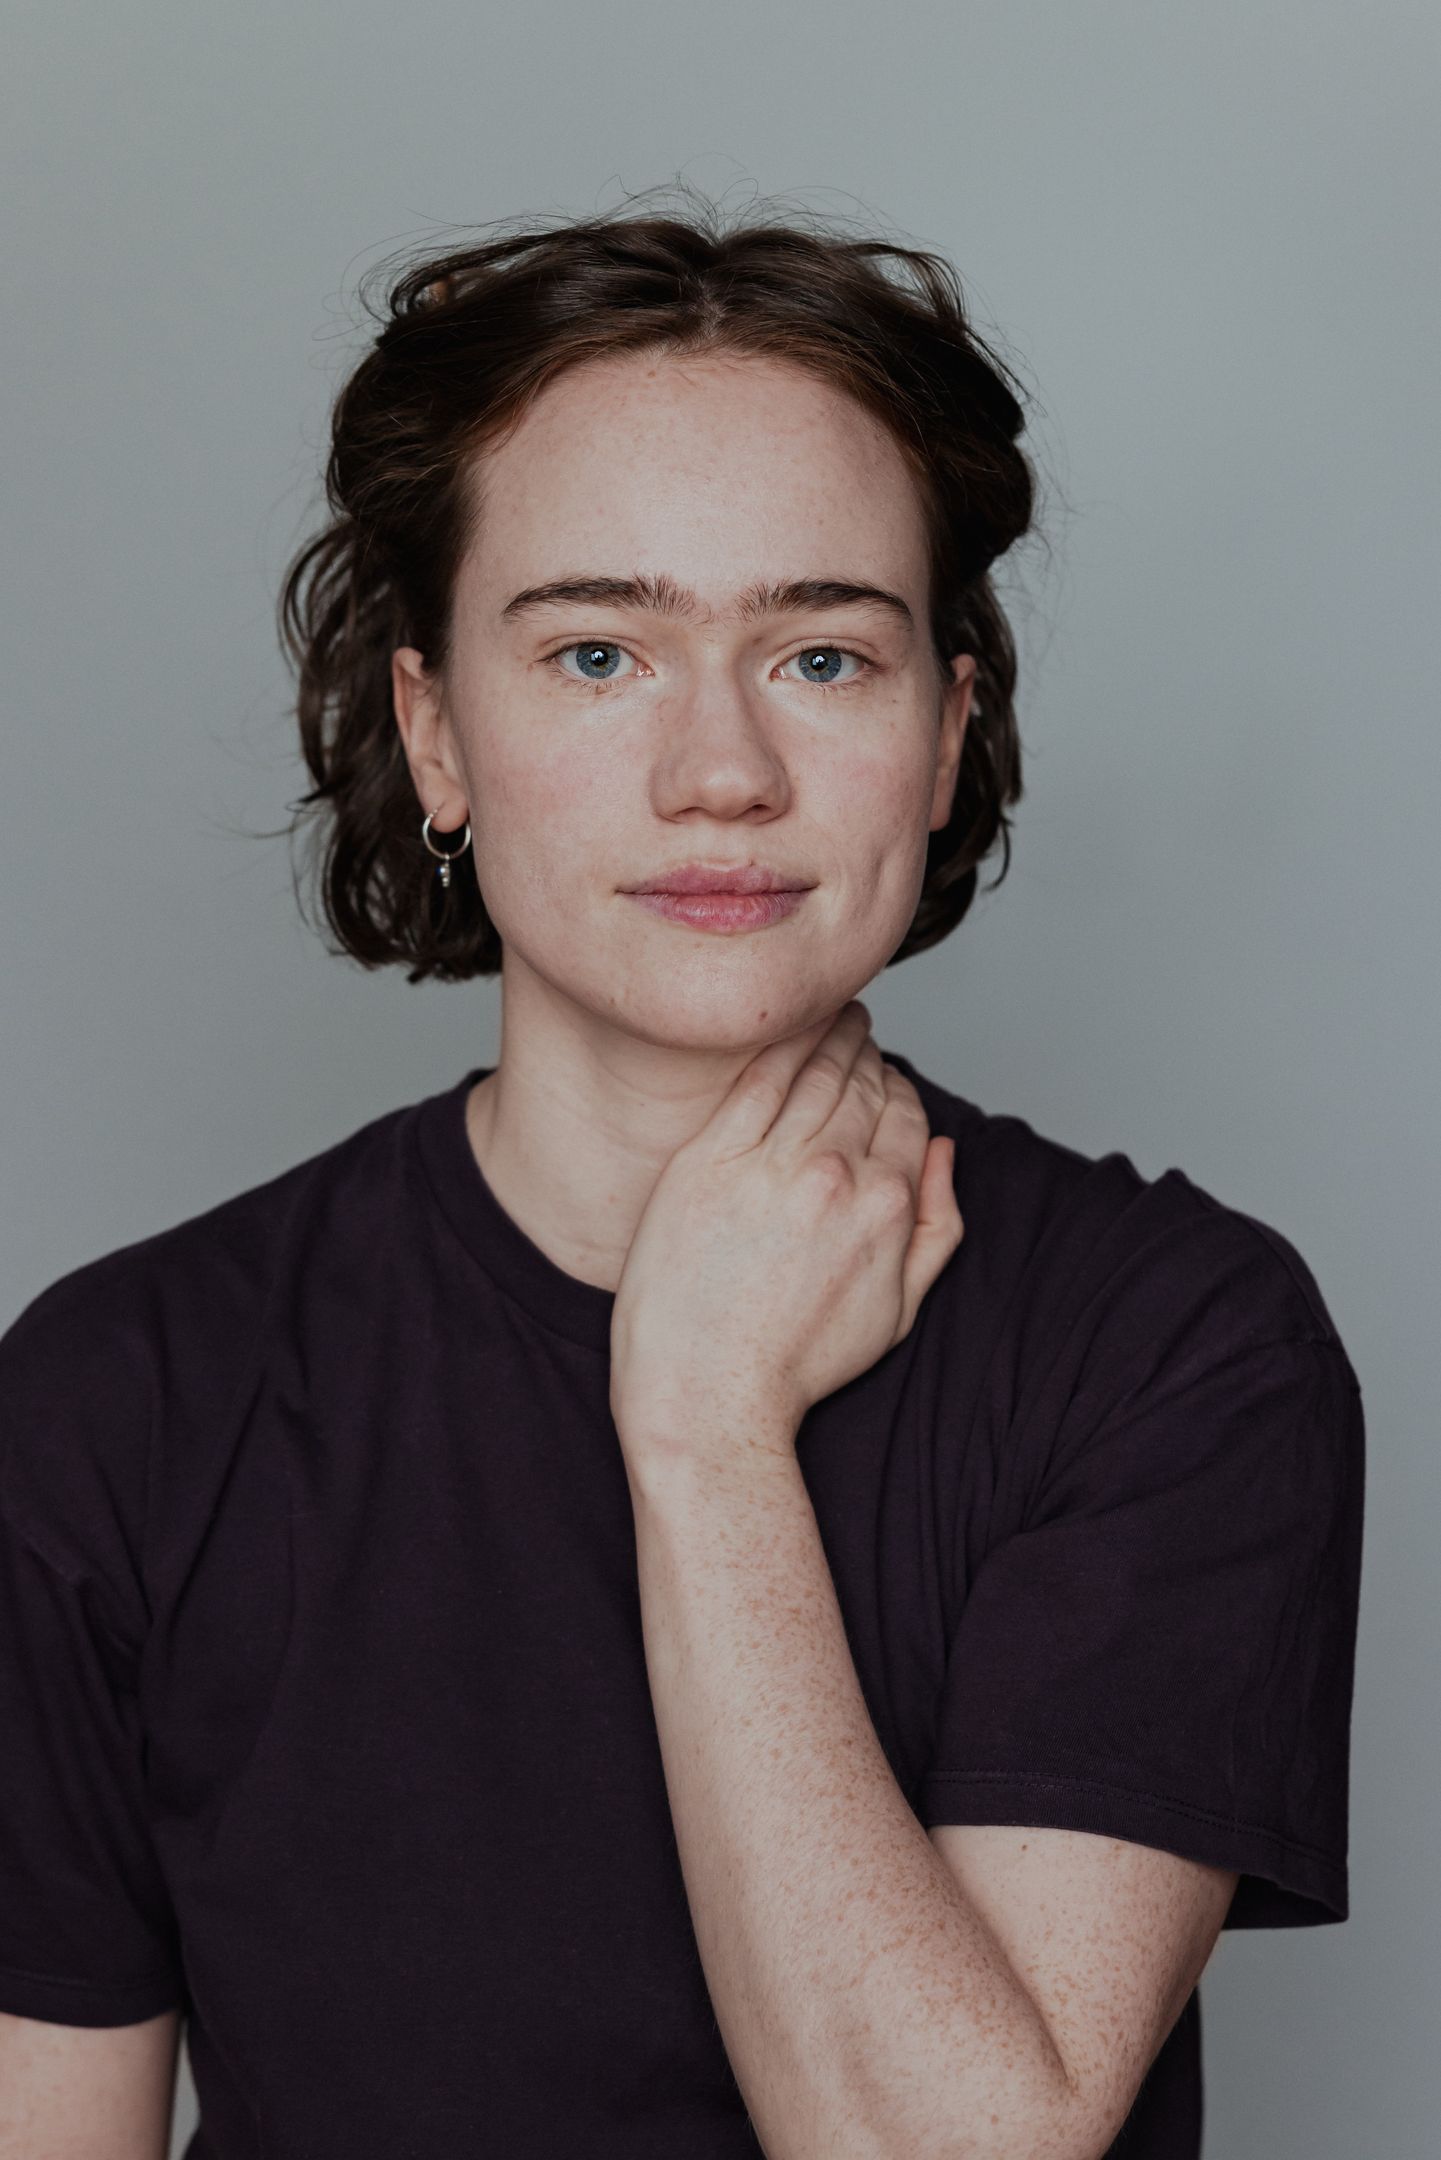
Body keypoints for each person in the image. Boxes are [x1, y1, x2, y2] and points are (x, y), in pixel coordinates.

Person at [0, 192, 1364, 2160]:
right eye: (594, 653)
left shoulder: (1172, 1346)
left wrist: (707, 1438)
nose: (718, 770)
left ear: (946, 731)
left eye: (821, 654)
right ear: (433, 734)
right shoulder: (118, 1398)